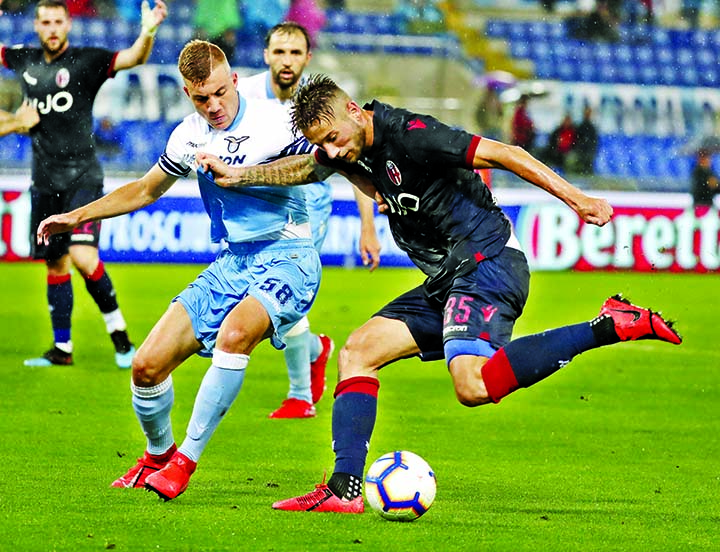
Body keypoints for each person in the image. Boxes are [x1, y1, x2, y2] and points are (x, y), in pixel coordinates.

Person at [197, 74, 683, 513]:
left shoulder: (415, 136)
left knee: (473, 386)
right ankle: (344, 490)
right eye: (324, 143)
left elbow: (504, 153)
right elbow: (311, 165)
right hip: (447, 278)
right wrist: (240, 175)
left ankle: (608, 325)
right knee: (358, 351)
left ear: (352, 111)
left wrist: (576, 198)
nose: (334, 150)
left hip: (487, 263)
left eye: (335, 139)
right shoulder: (345, 146)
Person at [37, 39, 324, 502]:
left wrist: (244, 174)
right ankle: (157, 454)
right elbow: (146, 190)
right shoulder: (187, 135)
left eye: (218, 93)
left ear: (234, 79)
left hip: (289, 255)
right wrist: (78, 215)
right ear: (187, 93)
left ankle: (185, 463)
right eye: (199, 97)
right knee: (147, 366)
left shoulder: (275, 121)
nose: (212, 106)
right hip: (233, 261)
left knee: (234, 336)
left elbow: (314, 167)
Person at [0, 0, 167, 368]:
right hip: (43, 181)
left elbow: (133, 59)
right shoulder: (22, 58)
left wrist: (149, 31)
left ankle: (122, 341)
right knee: (56, 263)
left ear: (68, 24)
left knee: (82, 255)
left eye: (58, 21)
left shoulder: (87, 60)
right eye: (45, 22)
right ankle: (62, 349)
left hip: (82, 178)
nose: (52, 28)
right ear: (37, 25)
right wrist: (15, 121)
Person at [237, 21, 380, 419]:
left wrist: (367, 226)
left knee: (281, 294)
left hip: (307, 209)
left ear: (307, 58)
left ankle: (301, 396)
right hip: (258, 208)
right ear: (266, 54)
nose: (286, 61)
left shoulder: (323, 105)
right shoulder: (243, 94)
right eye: (279, 52)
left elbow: (355, 159)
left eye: (295, 53)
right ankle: (317, 349)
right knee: (257, 311)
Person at [573, 105, 598, 175]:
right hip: (581, 150)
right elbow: (576, 139)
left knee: (588, 163)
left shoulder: (592, 127)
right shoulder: (581, 126)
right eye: (586, 113)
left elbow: (594, 141)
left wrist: (592, 149)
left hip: (588, 150)